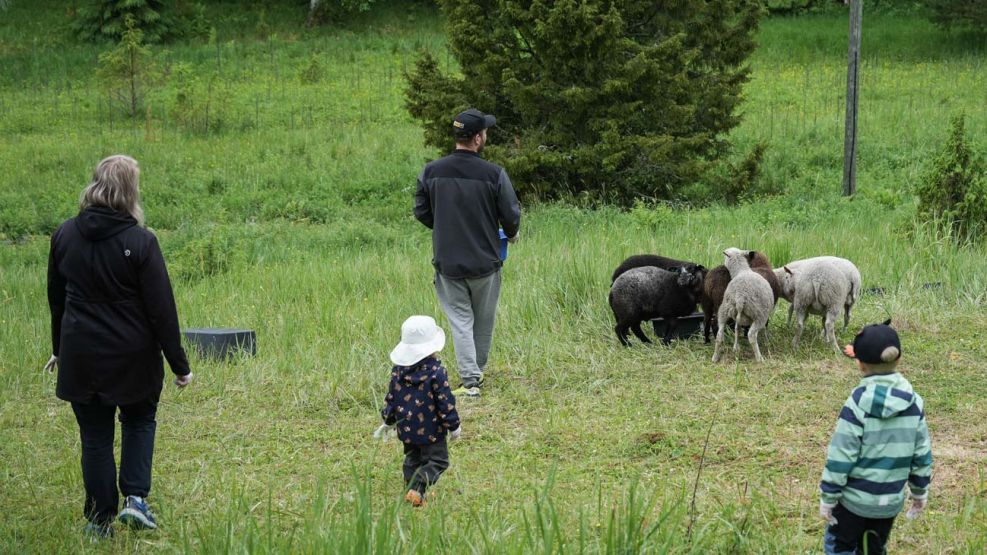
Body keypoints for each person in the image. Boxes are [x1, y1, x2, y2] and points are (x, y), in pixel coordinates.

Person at [45, 155, 193, 540]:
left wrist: (59, 349)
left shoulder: (64, 235)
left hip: (81, 356)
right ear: (130, 191)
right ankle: (136, 500)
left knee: (95, 437)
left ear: (95, 185)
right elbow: (162, 310)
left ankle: (99, 520)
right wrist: (179, 364)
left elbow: (57, 300)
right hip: (134, 358)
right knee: (139, 420)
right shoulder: (141, 242)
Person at [414, 108, 521, 398]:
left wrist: (445, 226)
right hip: (486, 262)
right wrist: (511, 233)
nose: (486, 136)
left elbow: (421, 211)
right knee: (483, 320)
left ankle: (471, 379)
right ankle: (476, 371)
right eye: (485, 132)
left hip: (448, 263)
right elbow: (511, 214)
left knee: (460, 321)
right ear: (477, 139)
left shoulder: (430, 171)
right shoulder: (494, 174)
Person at [819, 320, 933, 555]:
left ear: (859, 364)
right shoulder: (914, 403)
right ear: (899, 359)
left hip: (852, 502)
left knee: (839, 546)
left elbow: (841, 454)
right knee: (873, 548)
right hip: (889, 504)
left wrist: (828, 496)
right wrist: (919, 492)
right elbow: (922, 454)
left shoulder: (857, 403)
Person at [375, 315, 461, 507]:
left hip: (406, 428)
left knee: (412, 458)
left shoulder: (398, 371)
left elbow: (392, 398)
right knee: (438, 461)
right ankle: (417, 488)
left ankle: (411, 492)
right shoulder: (437, 373)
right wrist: (454, 426)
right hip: (432, 430)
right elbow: (445, 402)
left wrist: (388, 420)